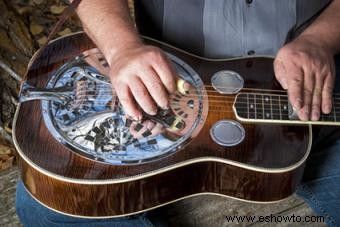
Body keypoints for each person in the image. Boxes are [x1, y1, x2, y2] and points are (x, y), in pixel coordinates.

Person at [16, 0, 340, 226]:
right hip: (167, 83)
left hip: (316, 89)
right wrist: (122, 48)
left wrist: (321, 39)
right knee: (50, 208)